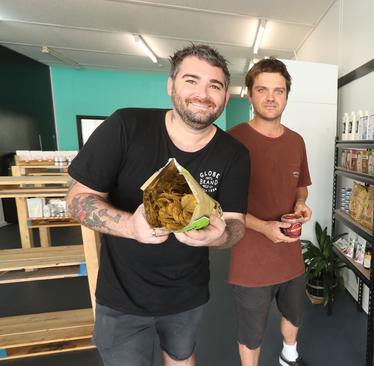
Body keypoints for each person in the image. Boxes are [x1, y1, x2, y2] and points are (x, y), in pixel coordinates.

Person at [65, 44, 250, 366]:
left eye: (215, 85)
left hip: (187, 293)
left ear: (224, 95)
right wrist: (129, 226)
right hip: (121, 295)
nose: (203, 94)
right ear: (171, 84)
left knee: (181, 357)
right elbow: (77, 200)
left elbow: (236, 224)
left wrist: (218, 236)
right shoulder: (126, 126)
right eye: (191, 80)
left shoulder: (234, 154)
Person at [228, 58, 312, 366]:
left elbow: (301, 186)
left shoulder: (296, 141)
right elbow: (220, 205)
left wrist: (301, 204)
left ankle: (289, 356)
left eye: (278, 90)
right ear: (249, 94)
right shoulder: (232, 140)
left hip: (290, 251)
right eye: (262, 89)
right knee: (252, 331)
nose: (271, 97)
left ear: (287, 95)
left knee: (294, 312)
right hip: (250, 257)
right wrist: (263, 227)